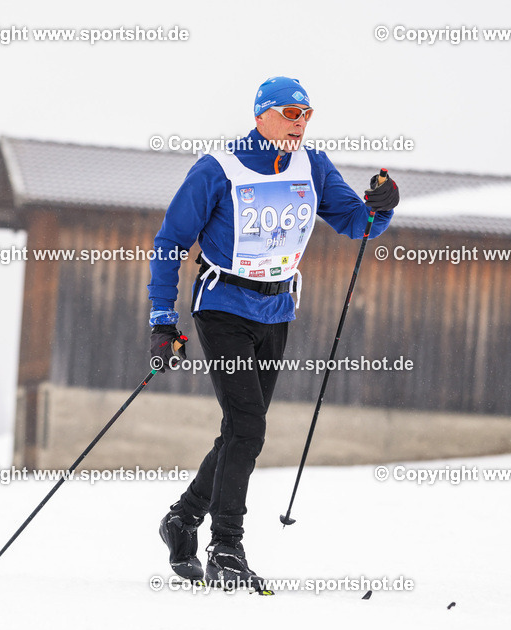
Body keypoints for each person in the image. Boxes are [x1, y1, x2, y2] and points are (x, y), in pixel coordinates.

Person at [148, 76, 399, 589]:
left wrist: (383, 205)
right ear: (260, 115)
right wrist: (161, 320)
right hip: (221, 307)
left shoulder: (314, 166)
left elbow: (357, 224)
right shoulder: (218, 169)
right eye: (289, 113)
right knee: (249, 427)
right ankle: (227, 547)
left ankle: (182, 518)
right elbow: (171, 241)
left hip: (277, 310)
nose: (299, 122)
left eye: (306, 114)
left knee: (240, 430)